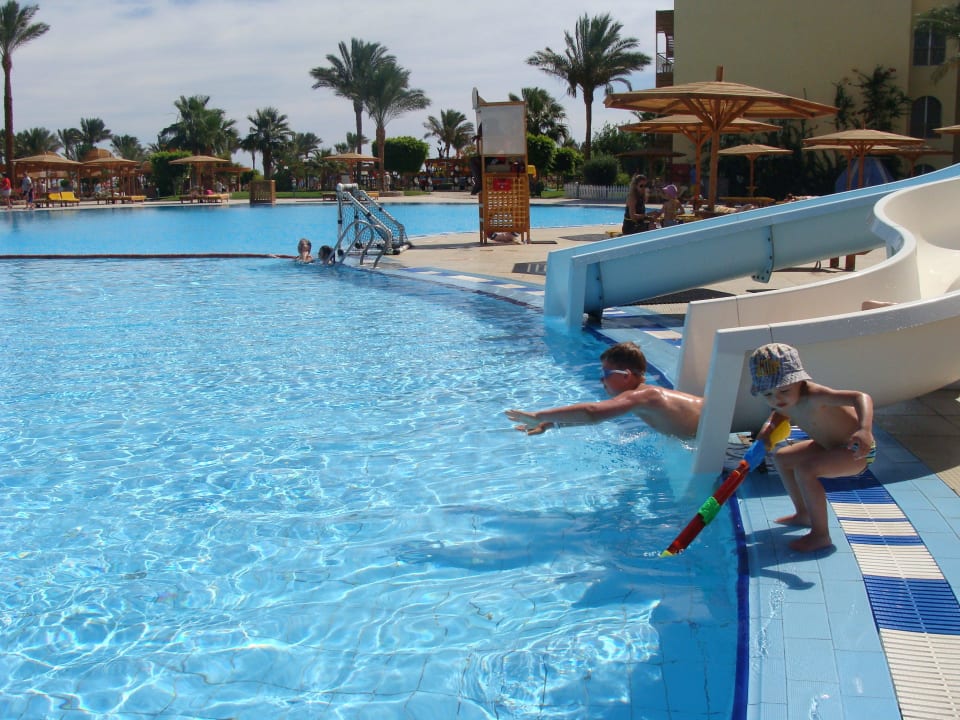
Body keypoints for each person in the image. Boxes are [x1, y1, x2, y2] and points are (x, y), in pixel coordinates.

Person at [749, 343, 875, 553]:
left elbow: (861, 397)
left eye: (783, 390)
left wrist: (864, 430)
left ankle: (821, 535)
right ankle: (803, 513)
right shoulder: (786, 400)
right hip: (828, 446)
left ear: (799, 381)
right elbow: (779, 415)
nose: (776, 399)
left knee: (805, 470)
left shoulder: (816, 396)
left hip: (857, 450)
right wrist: (766, 433)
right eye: (768, 394)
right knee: (782, 458)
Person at [505, 341, 703, 439]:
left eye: (606, 373)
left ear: (626, 375)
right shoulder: (642, 398)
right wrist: (549, 424)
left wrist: (537, 416)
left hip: (716, 431)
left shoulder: (644, 395)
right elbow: (598, 416)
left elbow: (592, 413)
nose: (602, 380)